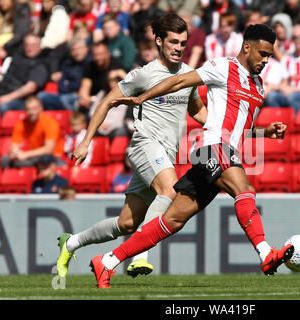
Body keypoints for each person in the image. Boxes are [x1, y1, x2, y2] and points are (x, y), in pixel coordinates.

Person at [88, 23, 294, 288]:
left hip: (224, 154)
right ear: (247, 47)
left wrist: (265, 133)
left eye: (269, 56)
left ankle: (106, 262)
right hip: (213, 149)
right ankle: (266, 253)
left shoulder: (258, 87)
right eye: (262, 54)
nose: (266, 61)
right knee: (245, 189)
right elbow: (179, 80)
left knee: (171, 221)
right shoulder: (223, 67)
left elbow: (239, 129)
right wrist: (144, 97)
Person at [55, 13, 207, 279]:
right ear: (159, 41)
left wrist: (252, 131)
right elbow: (106, 103)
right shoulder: (143, 74)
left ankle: (71, 243)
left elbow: (201, 114)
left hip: (164, 155)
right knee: (170, 190)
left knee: (126, 223)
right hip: (144, 145)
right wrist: (85, 141)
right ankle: (139, 255)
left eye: (183, 43)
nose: (178, 48)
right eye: (173, 42)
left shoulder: (188, 76)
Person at [264, 24, 300, 113]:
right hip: (290, 94)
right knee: (272, 96)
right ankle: (278, 123)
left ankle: (294, 125)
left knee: (293, 97)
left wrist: (294, 90)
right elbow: (284, 82)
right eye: (295, 37)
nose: (298, 40)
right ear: (291, 40)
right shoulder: (286, 59)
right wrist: (282, 88)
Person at [0, 33, 49, 115]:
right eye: (27, 45)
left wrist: (8, 98)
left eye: (33, 45)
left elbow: (31, 87)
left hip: (21, 101)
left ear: (39, 46)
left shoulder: (40, 65)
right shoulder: (18, 57)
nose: (29, 48)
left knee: (3, 107)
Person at [0, 95, 64, 169]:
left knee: (29, 161)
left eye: (34, 108)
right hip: (33, 156)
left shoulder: (50, 123)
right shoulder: (21, 124)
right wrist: (15, 153)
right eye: (28, 109)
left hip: (52, 156)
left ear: (41, 108)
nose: (31, 112)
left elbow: (49, 149)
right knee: (5, 159)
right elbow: (14, 146)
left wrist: (25, 155)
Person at [37, 37, 91, 111]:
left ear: (86, 48)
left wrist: (69, 85)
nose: (77, 52)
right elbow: (61, 85)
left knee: (66, 100)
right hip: (64, 95)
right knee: (41, 96)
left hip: (79, 97)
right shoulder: (67, 63)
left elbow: (80, 85)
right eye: (73, 50)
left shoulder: (91, 64)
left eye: (79, 48)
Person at [77, 41, 125, 112]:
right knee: (77, 103)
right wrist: (85, 99)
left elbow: (128, 85)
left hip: (112, 101)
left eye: (100, 54)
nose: (97, 58)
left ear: (107, 54)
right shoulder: (90, 66)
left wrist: (119, 72)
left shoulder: (116, 65)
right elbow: (84, 89)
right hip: (93, 101)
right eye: (95, 55)